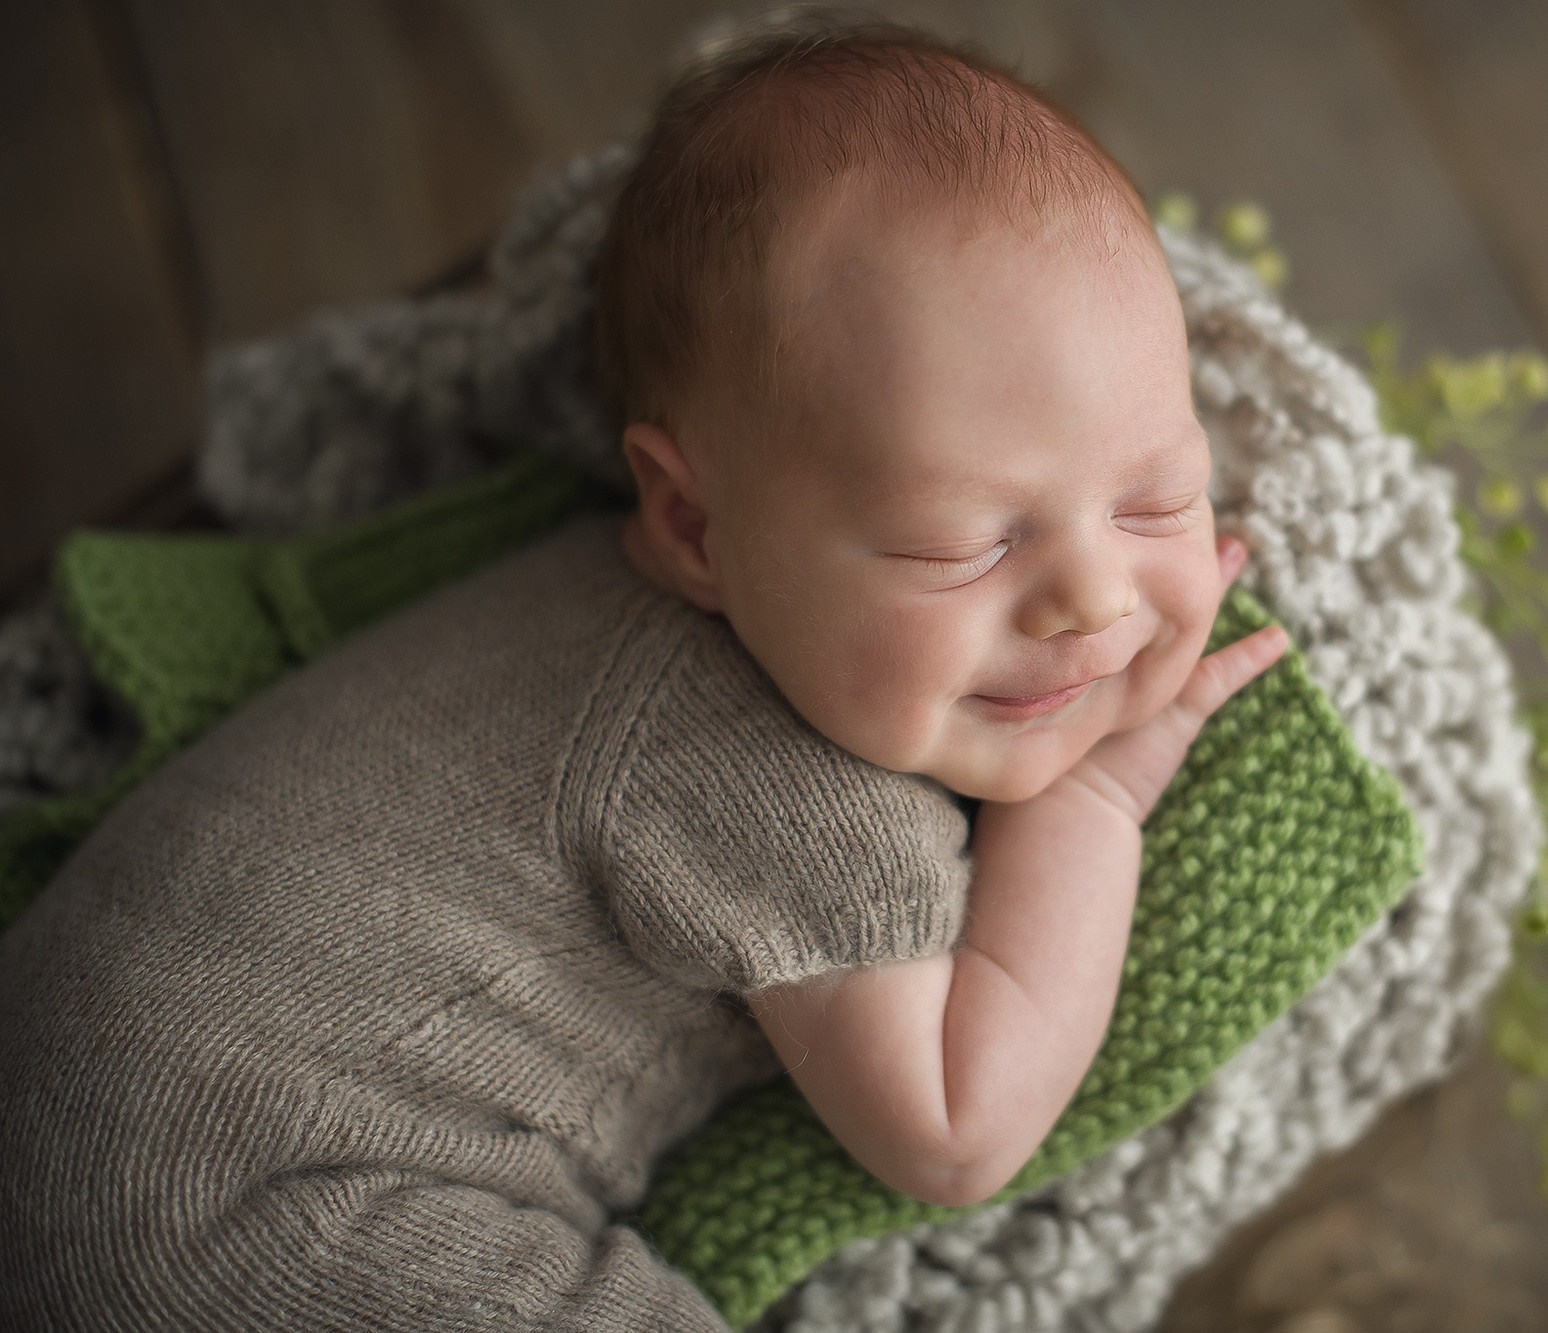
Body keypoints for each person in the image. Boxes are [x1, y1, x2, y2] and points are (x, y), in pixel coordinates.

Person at [0, 12, 1286, 1330]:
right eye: (962, 541)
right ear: (692, 526)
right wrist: (1087, 806)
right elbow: (956, 1127)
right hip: (232, 1201)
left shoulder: (598, 595)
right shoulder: (753, 761)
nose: (1092, 596)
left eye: (1157, 502)